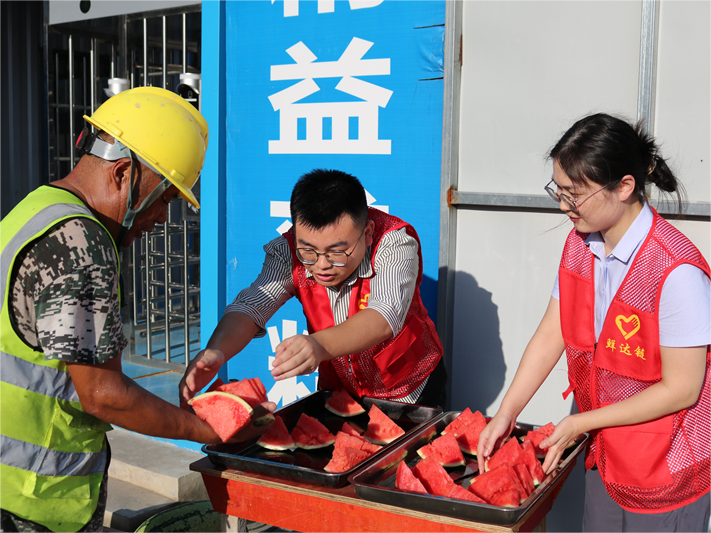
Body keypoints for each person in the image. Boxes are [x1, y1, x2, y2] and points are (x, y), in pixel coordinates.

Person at [0, 87, 274, 533]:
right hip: (35, 502)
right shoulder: (81, 243)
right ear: (123, 172)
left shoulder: (36, 209)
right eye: (165, 197)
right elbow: (103, 393)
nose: (163, 218)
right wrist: (209, 430)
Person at [477, 113, 711, 532]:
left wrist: (580, 422)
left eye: (575, 194)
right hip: (606, 455)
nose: (563, 206)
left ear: (624, 187)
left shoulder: (676, 271)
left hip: (664, 471)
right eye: (558, 191)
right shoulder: (579, 244)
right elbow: (552, 333)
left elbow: (682, 389)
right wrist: (507, 413)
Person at [180, 169, 446, 409]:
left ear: (367, 233)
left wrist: (318, 345)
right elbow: (250, 306)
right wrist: (217, 351)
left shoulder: (395, 243)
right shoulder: (286, 251)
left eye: (337, 252)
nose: (322, 265)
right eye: (308, 250)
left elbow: (384, 315)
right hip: (340, 393)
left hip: (411, 391)